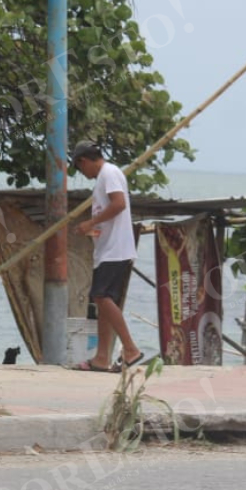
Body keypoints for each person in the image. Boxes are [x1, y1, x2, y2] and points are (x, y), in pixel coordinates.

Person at [71, 140, 145, 372]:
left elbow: (119, 204)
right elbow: (111, 214)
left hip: (116, 250)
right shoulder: (105, 176)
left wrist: (91, 221)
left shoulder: (109, 173)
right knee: (101, 299)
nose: (83, 173)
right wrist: (91, 230)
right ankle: (101, 357)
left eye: (80, 168)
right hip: (107, 249)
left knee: (101, 297)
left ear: (84, 161)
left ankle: (131, 348)